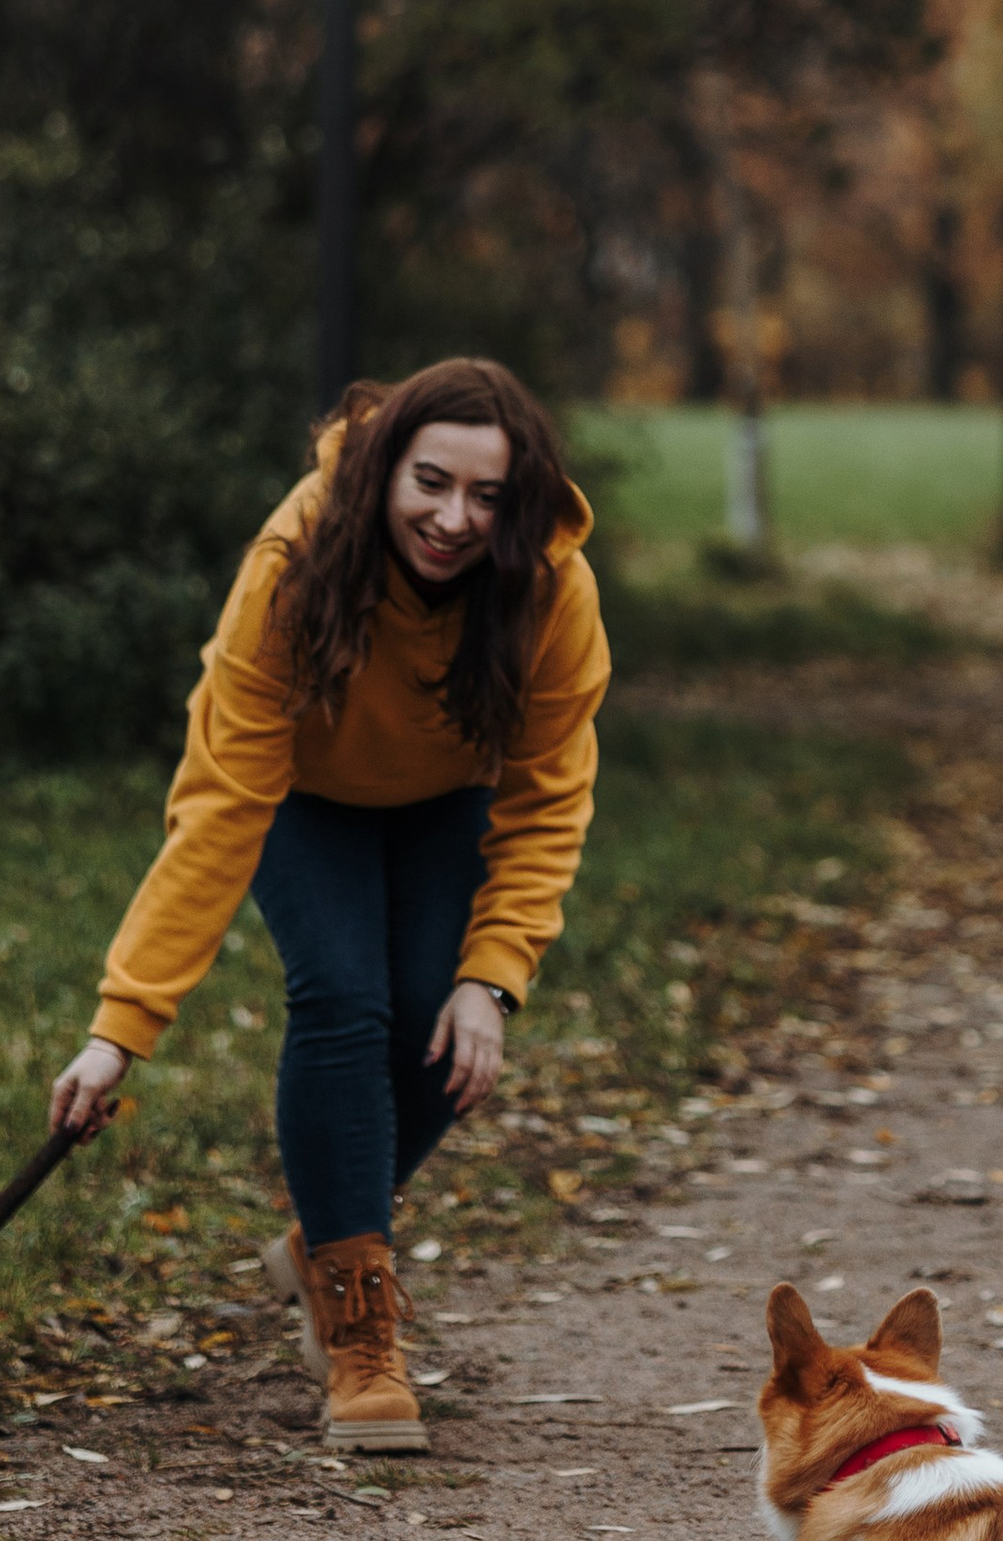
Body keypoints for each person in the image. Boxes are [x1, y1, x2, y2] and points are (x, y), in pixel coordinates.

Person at [48, 356, 609, 1451]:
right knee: (345, 1001)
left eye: (487, 496)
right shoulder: (295, 562)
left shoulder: (549, 585)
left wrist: (492, 976)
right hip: (297, 792)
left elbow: (551, 796)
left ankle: (323, 1242)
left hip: (448, 795)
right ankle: (358, 1324)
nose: (454, 519)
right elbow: (219, 811)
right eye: (431, 482)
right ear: (383, 468)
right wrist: (122, 1030)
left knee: (438, 1030)